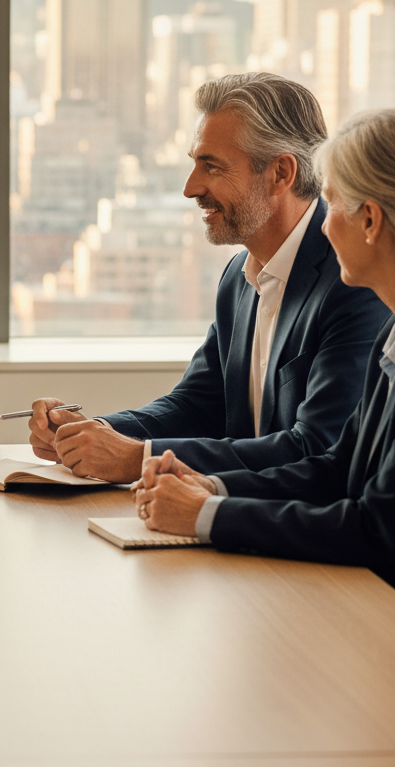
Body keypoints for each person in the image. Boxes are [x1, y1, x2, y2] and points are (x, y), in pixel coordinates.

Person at [28, 73, 389, 482]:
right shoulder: (239, 276)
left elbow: (317, 449)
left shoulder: (356, 280)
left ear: (280, 174)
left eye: (211, 166)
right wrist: (91, 435)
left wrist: (138, 458)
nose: (190, 187)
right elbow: (197, 405)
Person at [133, 108, 395, 585]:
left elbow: (376, 526)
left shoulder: (358, 305)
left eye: (332, 205)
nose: (324, 224)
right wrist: (211, 487)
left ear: (371, 220)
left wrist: (208, 514)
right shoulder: (390, 338)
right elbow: (336, 468)